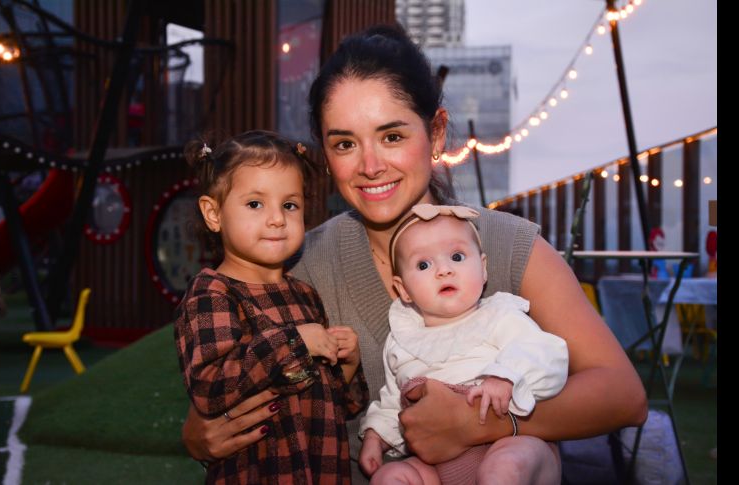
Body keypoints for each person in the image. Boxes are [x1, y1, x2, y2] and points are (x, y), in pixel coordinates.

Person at [181, 24, 647, 484]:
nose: (369, 165)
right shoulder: (301, 262)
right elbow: (228, 378)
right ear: (324, 153)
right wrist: (202, 429)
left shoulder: (508, 246)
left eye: (392, 136)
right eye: (345, 143)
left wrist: (478, 423)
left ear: (437, 132)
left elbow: (623, 395)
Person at [174, 130, 368, 484]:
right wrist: (294, 343)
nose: (277, 218)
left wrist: (349, 367)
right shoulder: (212, 293)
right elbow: (210, 388)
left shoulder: (305, 295)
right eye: (255, 204)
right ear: (213, 213)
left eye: (289, 205)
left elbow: (329, 403)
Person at [358, 203, 569, 485]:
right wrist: (376, 435)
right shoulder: (401, 340)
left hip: (507, 442)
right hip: (436, 463)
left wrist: (505, 377)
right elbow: (393, 398)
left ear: (482, 269)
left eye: (457, 256)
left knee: (504, 468)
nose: (444, 270)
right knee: (391, 476)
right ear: (403, 289)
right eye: (424, 264)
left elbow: (546, 354)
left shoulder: (500, 316)